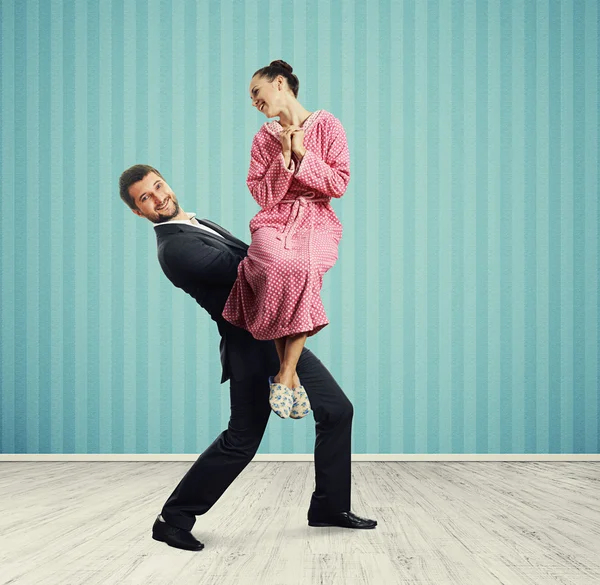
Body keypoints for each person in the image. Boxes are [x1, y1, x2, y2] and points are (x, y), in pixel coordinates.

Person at [119, 164, 377, 552]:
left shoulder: (195, 223)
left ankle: (329, 507)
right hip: (251, 346)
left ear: (167, 182)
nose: (158, 197)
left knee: (337, 411)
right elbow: (253, 270)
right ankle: (172, 519)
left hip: (274, 335)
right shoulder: (175, 247)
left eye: (158, 186)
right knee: (241, 440)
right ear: (138, 212)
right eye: (146, 198)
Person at [222, 60, 350, 420]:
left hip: (318, 220)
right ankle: (290, 379)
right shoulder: (263, 138)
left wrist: (303, 154)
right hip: (274, 220)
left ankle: (284, 375)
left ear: (280, 83)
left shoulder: (329, 126)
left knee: (306, 266)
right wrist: (282, 156)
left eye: (256, 93)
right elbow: (263, 196)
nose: (253, 102)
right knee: (275, 264)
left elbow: (338, 185)